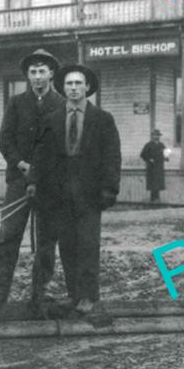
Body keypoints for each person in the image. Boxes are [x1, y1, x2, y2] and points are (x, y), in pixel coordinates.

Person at [27, 63, 121, 315]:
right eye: (69, 83)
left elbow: (112, 157)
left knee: (87, 244)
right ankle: (73, 294)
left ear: (87, 87)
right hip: (58, 192)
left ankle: (89, 296)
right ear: (63, 88)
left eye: (78, 83)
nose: (74, 88)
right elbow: (40, 155)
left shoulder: (102, 119)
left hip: (90, 192)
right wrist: (34, 184)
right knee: (67, 245)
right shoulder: (52, 119)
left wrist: (109, 189)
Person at [0, 49, 65, 308]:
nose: (37, 77)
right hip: (18, 180)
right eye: (33, 72)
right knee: (9, 235)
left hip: (48, 183)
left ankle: (40, 291)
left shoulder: (62, 104)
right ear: (27, 76)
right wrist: (21, 164)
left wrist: (41, 171)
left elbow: (63, 146)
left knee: (46, 238)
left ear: (51, 74)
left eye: (42, 71)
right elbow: (4, 140)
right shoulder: (16, 103)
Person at [140, 129, 166, 203]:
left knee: (158, 183)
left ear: (159, 136)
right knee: (153, 184)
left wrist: (166, 157)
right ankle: (153, 199)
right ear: (152, 136)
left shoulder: (161, 145)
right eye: (154, 135)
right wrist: (149, 159)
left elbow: (166, 154)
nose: (156, 137)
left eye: (157, 135)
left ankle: (157, 199)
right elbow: (142, 154)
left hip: (159, 167)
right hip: (151, 168)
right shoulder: (148, 145)